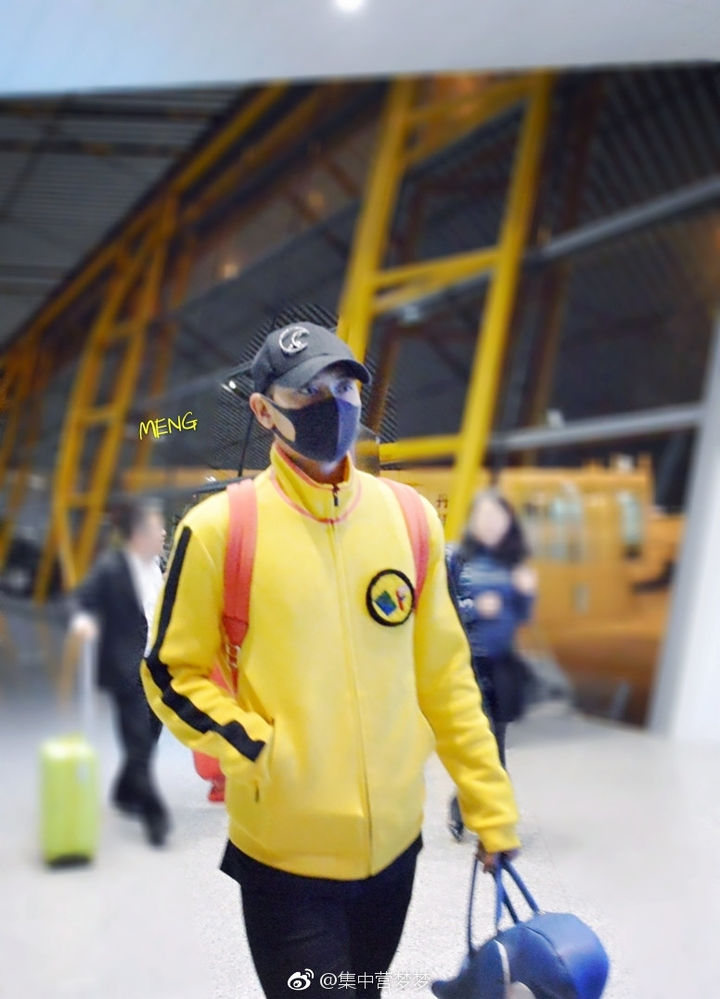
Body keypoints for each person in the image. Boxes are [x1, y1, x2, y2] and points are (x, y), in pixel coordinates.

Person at [141, 317, 521, 998]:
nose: (333, 404)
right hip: (286, 859)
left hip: (394, 851)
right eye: (309, 391)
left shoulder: (408, 519)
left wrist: (488, 805)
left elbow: (446, 678)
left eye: (345, 388)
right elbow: (171, 671)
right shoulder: (221, 529)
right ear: (264, 411)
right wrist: (256, 747)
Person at [70, 498, 171, 846]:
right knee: (140, 739)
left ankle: (124, 791)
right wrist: (84, 622)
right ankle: (154, 817)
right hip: (127, 667)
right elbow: (82, 599)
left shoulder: (157, 565)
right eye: (156, 528)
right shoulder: (113, 567)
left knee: (152, 732)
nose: (163, 533)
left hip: (154, 664)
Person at [445, 490, 537, 842]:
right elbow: (442, 608)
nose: (490, 524)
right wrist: (476, 608)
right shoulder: (455, 556)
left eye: (497, 518)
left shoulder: (513, 562)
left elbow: (522, 616)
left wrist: (524, 595)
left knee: (494, 744)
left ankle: (469, 808)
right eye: (483, 516)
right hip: (467, 663)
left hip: (502, 665)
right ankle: (488, 819)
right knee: (484, 746)